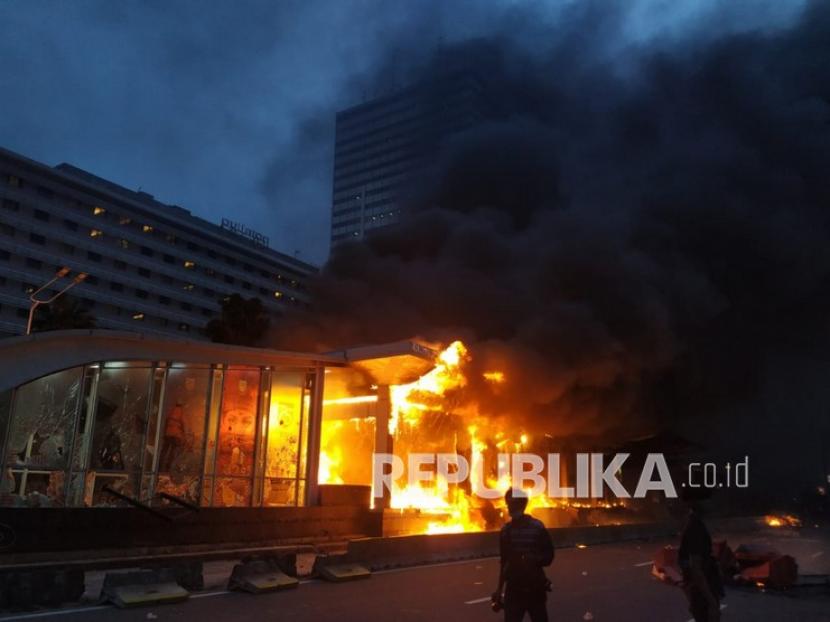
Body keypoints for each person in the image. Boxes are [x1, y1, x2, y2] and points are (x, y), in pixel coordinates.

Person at [493, 489, 554, 622]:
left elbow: (548, 556)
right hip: (514, 589)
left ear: (521, 504)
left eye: (512, 503)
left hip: (534, 588)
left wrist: (532, 560)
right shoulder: (505, 531)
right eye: (508, 503)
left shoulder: (537, 528)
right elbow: (504, 562)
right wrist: (499, 590)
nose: (509, 507)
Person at [678, 491, 723, 622]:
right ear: (696, 503)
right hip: (703, 595)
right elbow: (696, 569)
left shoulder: (693, 524)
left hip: (700, 593)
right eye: (706, 499)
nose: (710, 503)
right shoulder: (696, 528)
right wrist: (712, 602)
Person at [160, 402, 186, 472]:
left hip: (168, 434)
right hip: (176, 436)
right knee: (172, 451)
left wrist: (164, 433)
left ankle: (160, 465)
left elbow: (166, 421)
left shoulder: (171, 410)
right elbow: (183, 424)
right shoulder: (181, 412)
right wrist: (183, 435)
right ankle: (168, 467)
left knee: (164, 450)